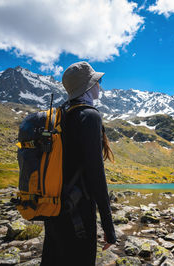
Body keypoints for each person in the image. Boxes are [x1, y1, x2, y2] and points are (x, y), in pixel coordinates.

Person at [41, 61, 116, 265]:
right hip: (78, 213)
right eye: (96, 81)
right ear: (88, 86)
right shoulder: (89, 116)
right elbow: (96, 176)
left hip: (54, 209)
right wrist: (109, 229)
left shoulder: (59, 116)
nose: (99, 85)